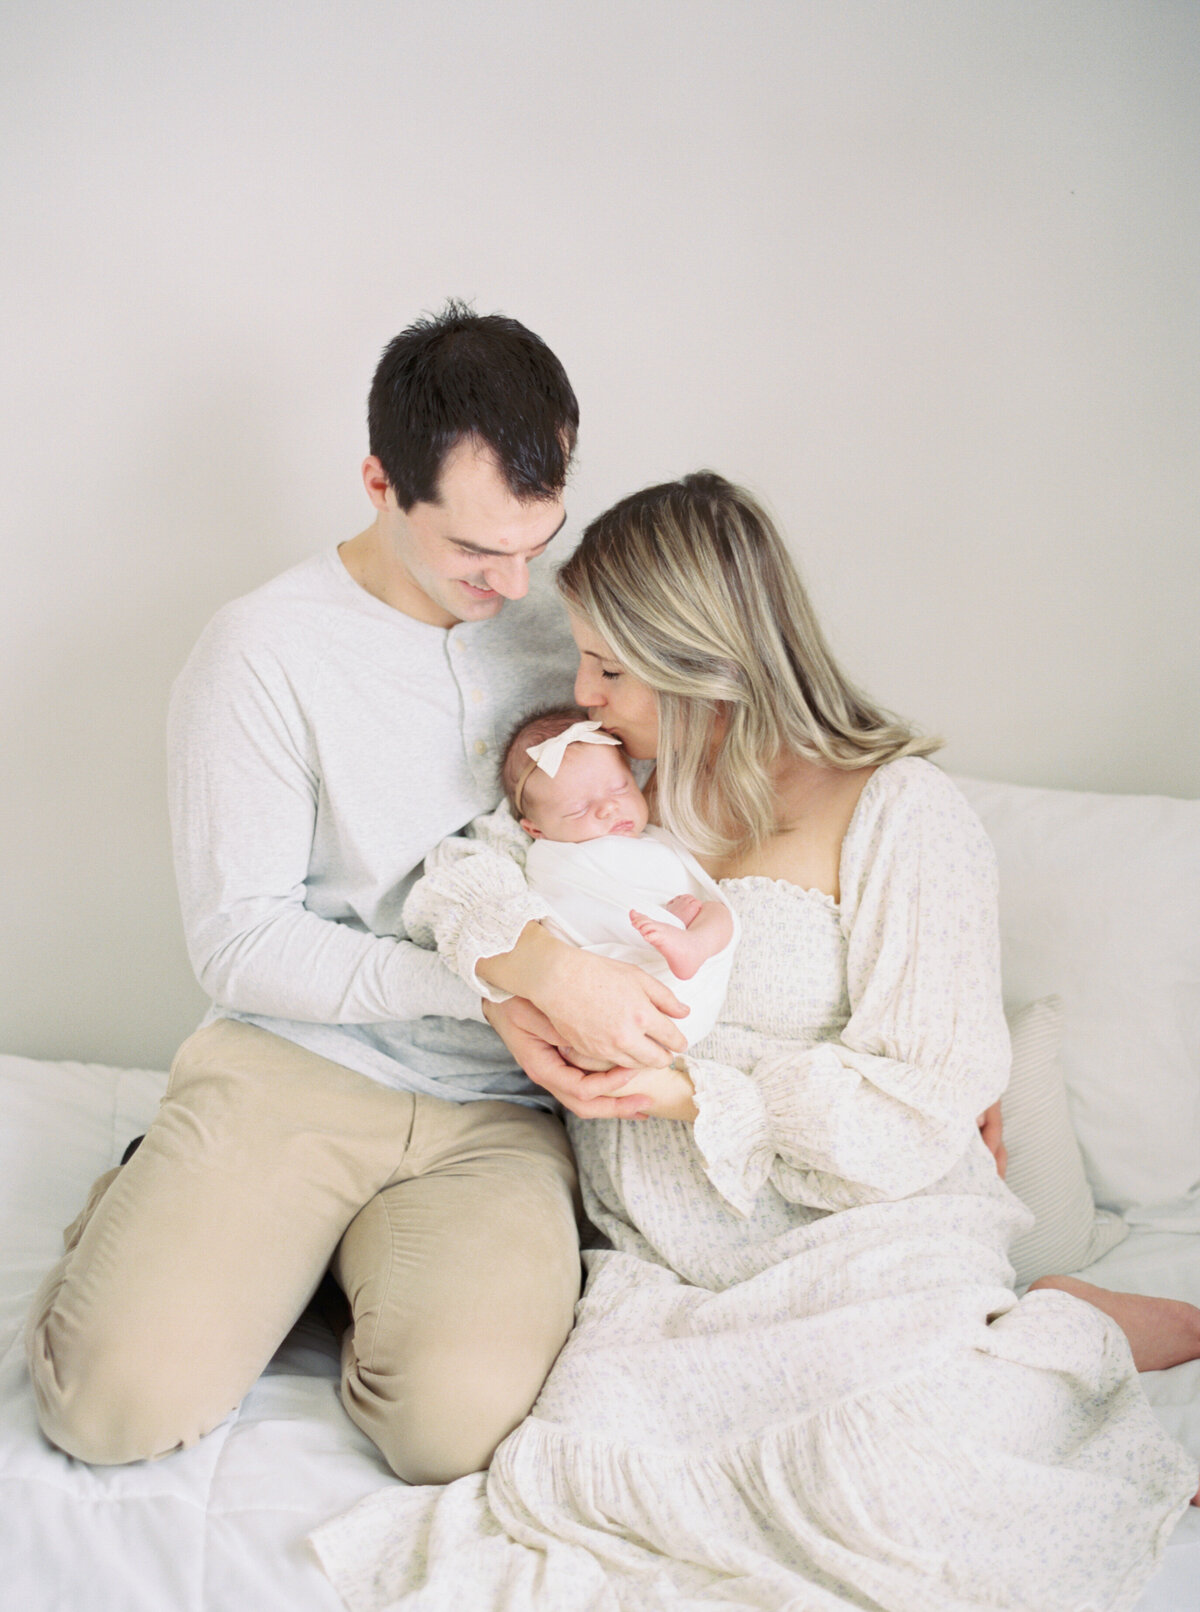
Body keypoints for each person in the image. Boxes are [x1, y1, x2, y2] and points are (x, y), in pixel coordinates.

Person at [317, 472, 1200, 1611]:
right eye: (586, 660)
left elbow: (928, 1096)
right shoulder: (622, 795)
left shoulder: (899, 813)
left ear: (707, 658)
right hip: (667, 1252)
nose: (582, 691)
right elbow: (463, 878)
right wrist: (546, 966)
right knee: (593, 1474)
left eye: (611, 667)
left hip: (859, 1227)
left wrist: (699, 1092)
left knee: (882, 1477)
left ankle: (1061, 1327)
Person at [24, 303, 692, 1487]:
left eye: (536, 541)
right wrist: (496, 977)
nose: (514, 581)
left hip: (496, 1111)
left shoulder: (565, 638)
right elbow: (238, 945)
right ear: (382, 482)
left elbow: (688, 824)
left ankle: (329, 1259)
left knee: (449, 1432)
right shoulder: (263, 653)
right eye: (476, 553)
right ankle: (191, 1199)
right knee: (104, 1407)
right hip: (304, 1062)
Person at [502, 706, 737, 1049]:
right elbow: (563, 916)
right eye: (578, 809)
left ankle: (692, 943)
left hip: (686, 984)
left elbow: (688, 887)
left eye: (620, 787)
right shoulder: (550, 859)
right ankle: (676, 931)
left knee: (720, 913)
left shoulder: (656, 839)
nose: (609, 808)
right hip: (609, 989)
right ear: (535, 829)